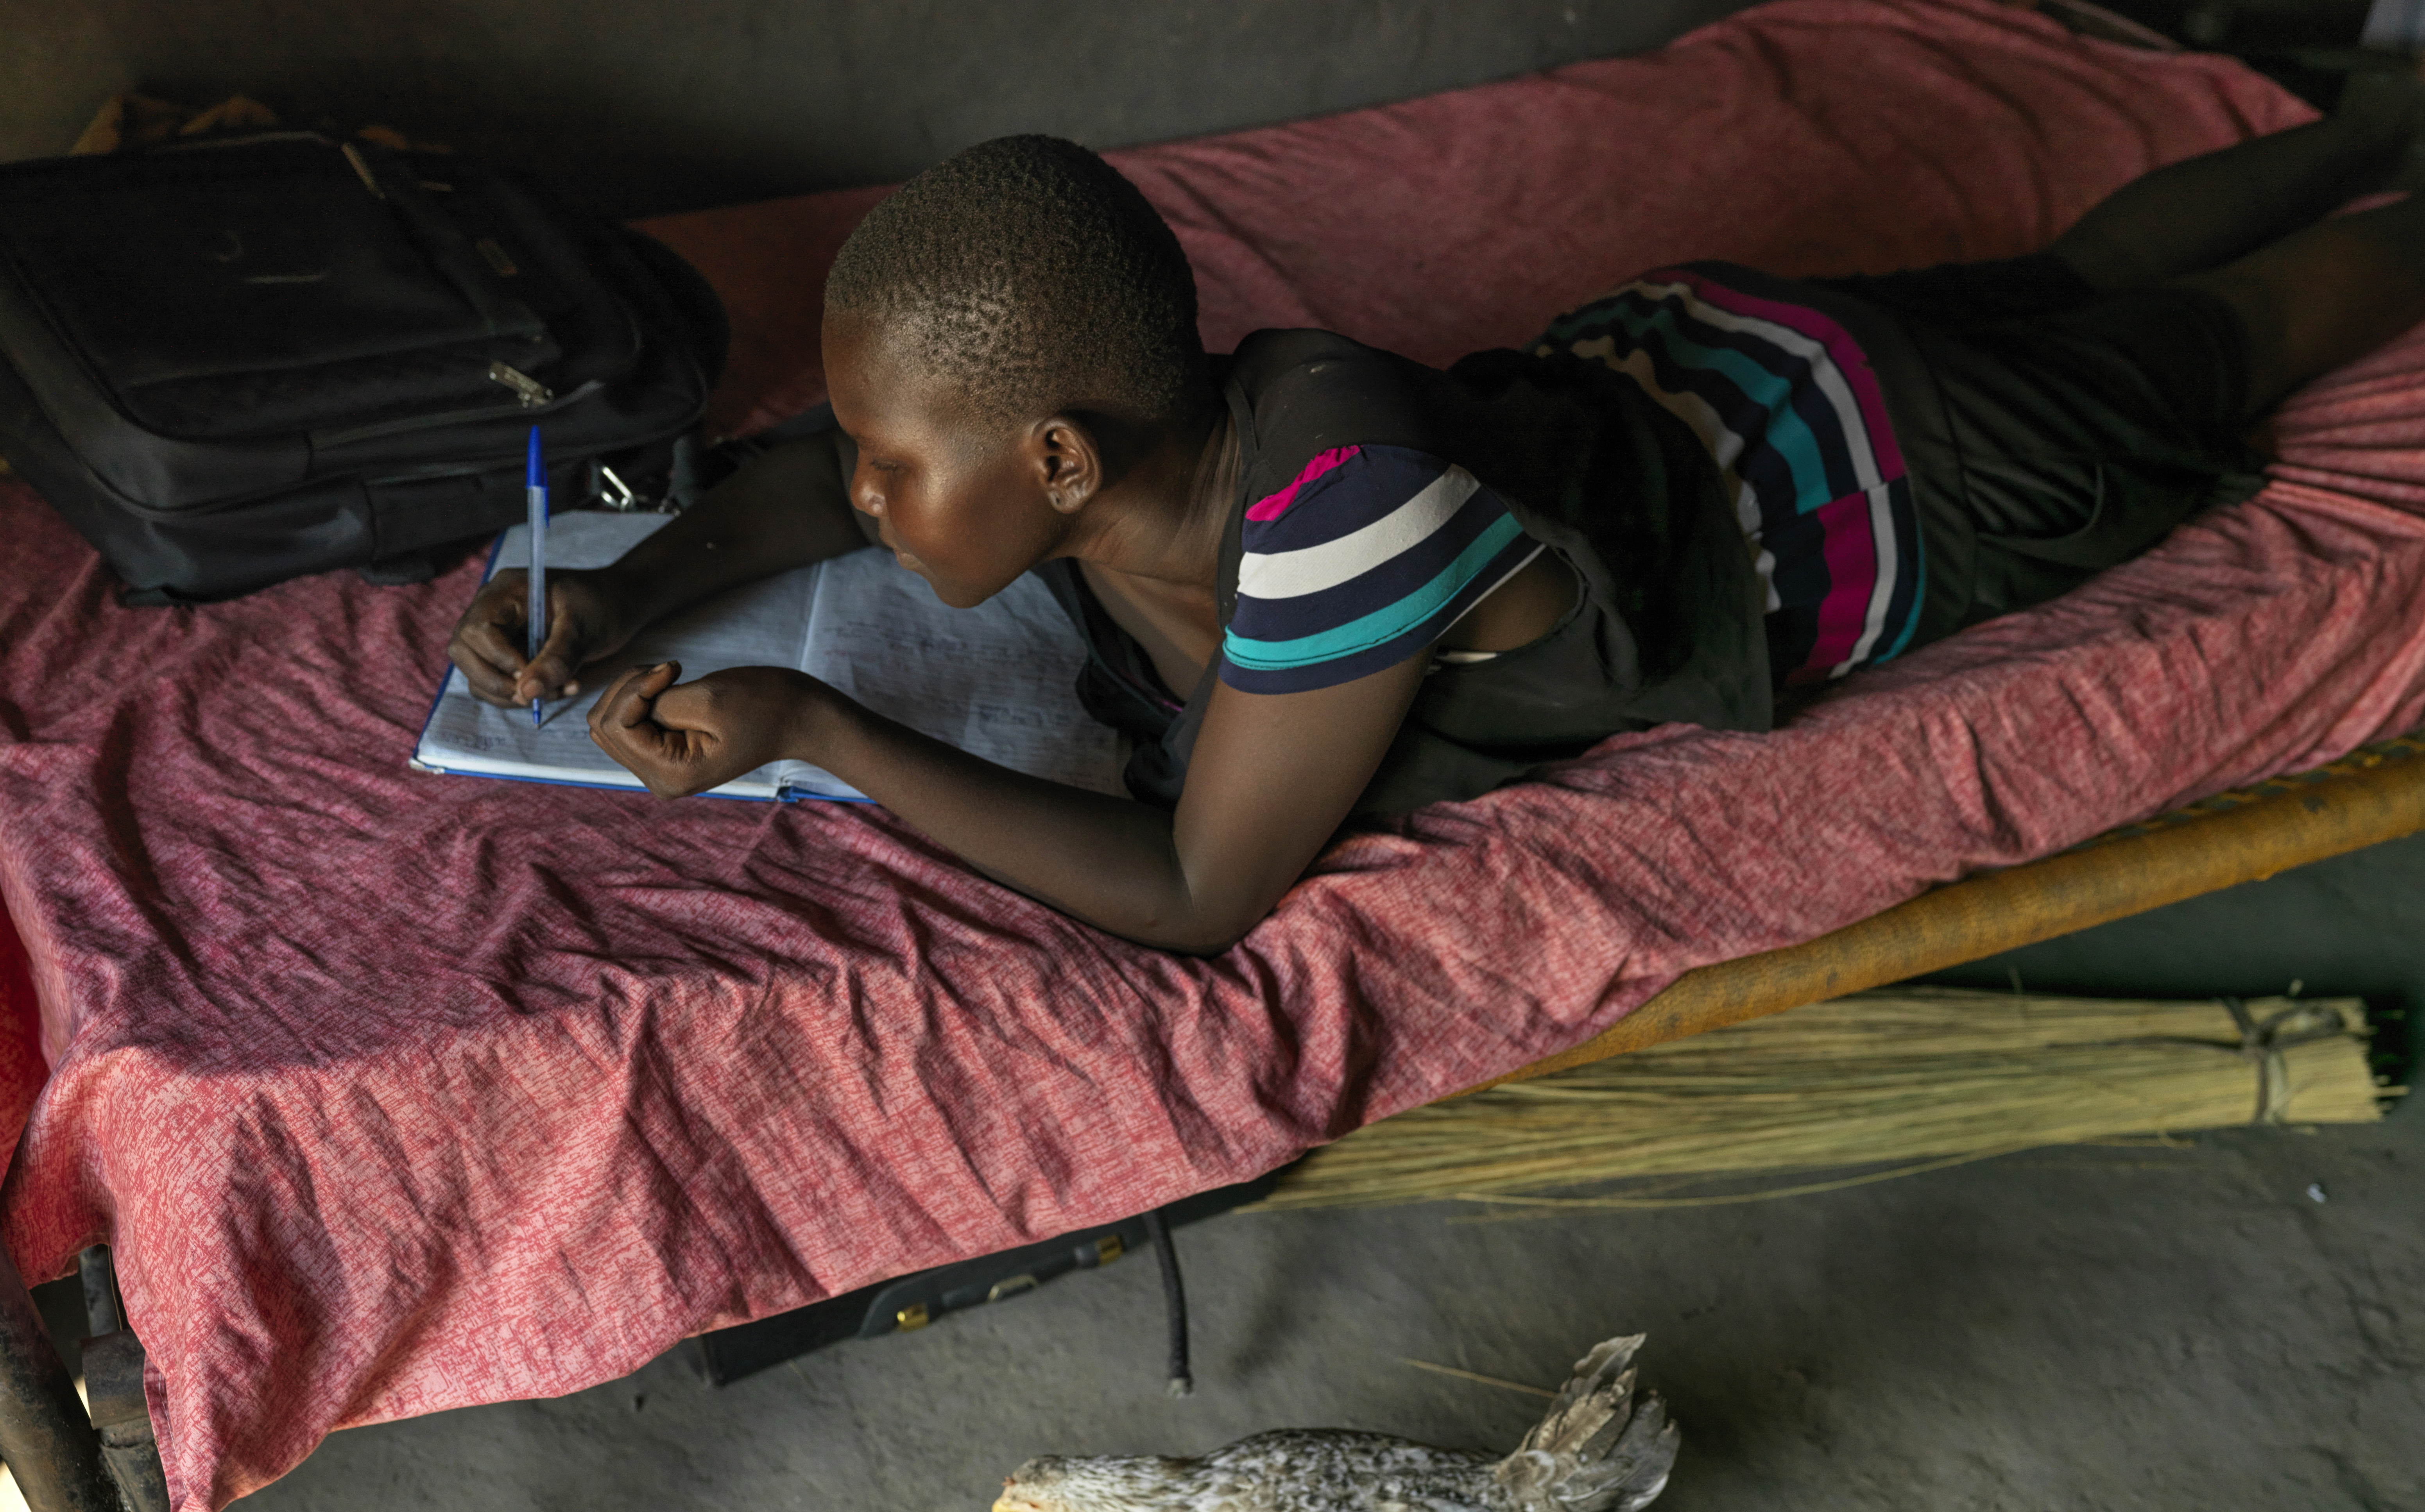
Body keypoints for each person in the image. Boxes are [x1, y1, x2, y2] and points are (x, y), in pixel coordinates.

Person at [445, 95, 2425, 954]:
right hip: (1701, 369)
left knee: (2211, 338)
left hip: (1892, 467)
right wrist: (617, 604)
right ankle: (2379, 106)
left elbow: (1201, 892)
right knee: (2066, 267)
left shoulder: (1336, 519)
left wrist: (811, 722)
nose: (858, 493)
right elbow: (787, 482)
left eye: (894, 461)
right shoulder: (1133, 454)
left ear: (1057, 460)